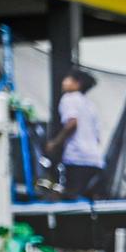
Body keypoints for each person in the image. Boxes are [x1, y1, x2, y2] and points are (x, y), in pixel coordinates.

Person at [45, 69, 104, 199]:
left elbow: (72, 123)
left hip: (77, 158)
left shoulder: (69, 99)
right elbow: (98, 137)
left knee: (71, 198)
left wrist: (55, 143)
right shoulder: (90, 104)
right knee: (89, 200)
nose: (64, 82)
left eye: (68, 79)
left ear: (78, 83)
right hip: (96, 159)